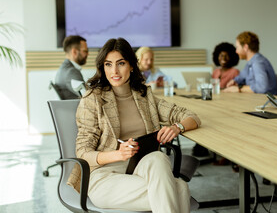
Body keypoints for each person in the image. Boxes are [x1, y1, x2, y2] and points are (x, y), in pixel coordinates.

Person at [67, 38, 201, 213]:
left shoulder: (144, 96)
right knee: (180, 189)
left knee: (159, 158)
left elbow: (192, 117)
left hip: (141, 167)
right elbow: (83, 152)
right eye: (108, 64)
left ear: (131, 65)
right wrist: (118, 154)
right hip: (104, 176)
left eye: (120, 63)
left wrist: (177, 128)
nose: (114, 71)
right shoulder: (93, 98)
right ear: (102, 67)